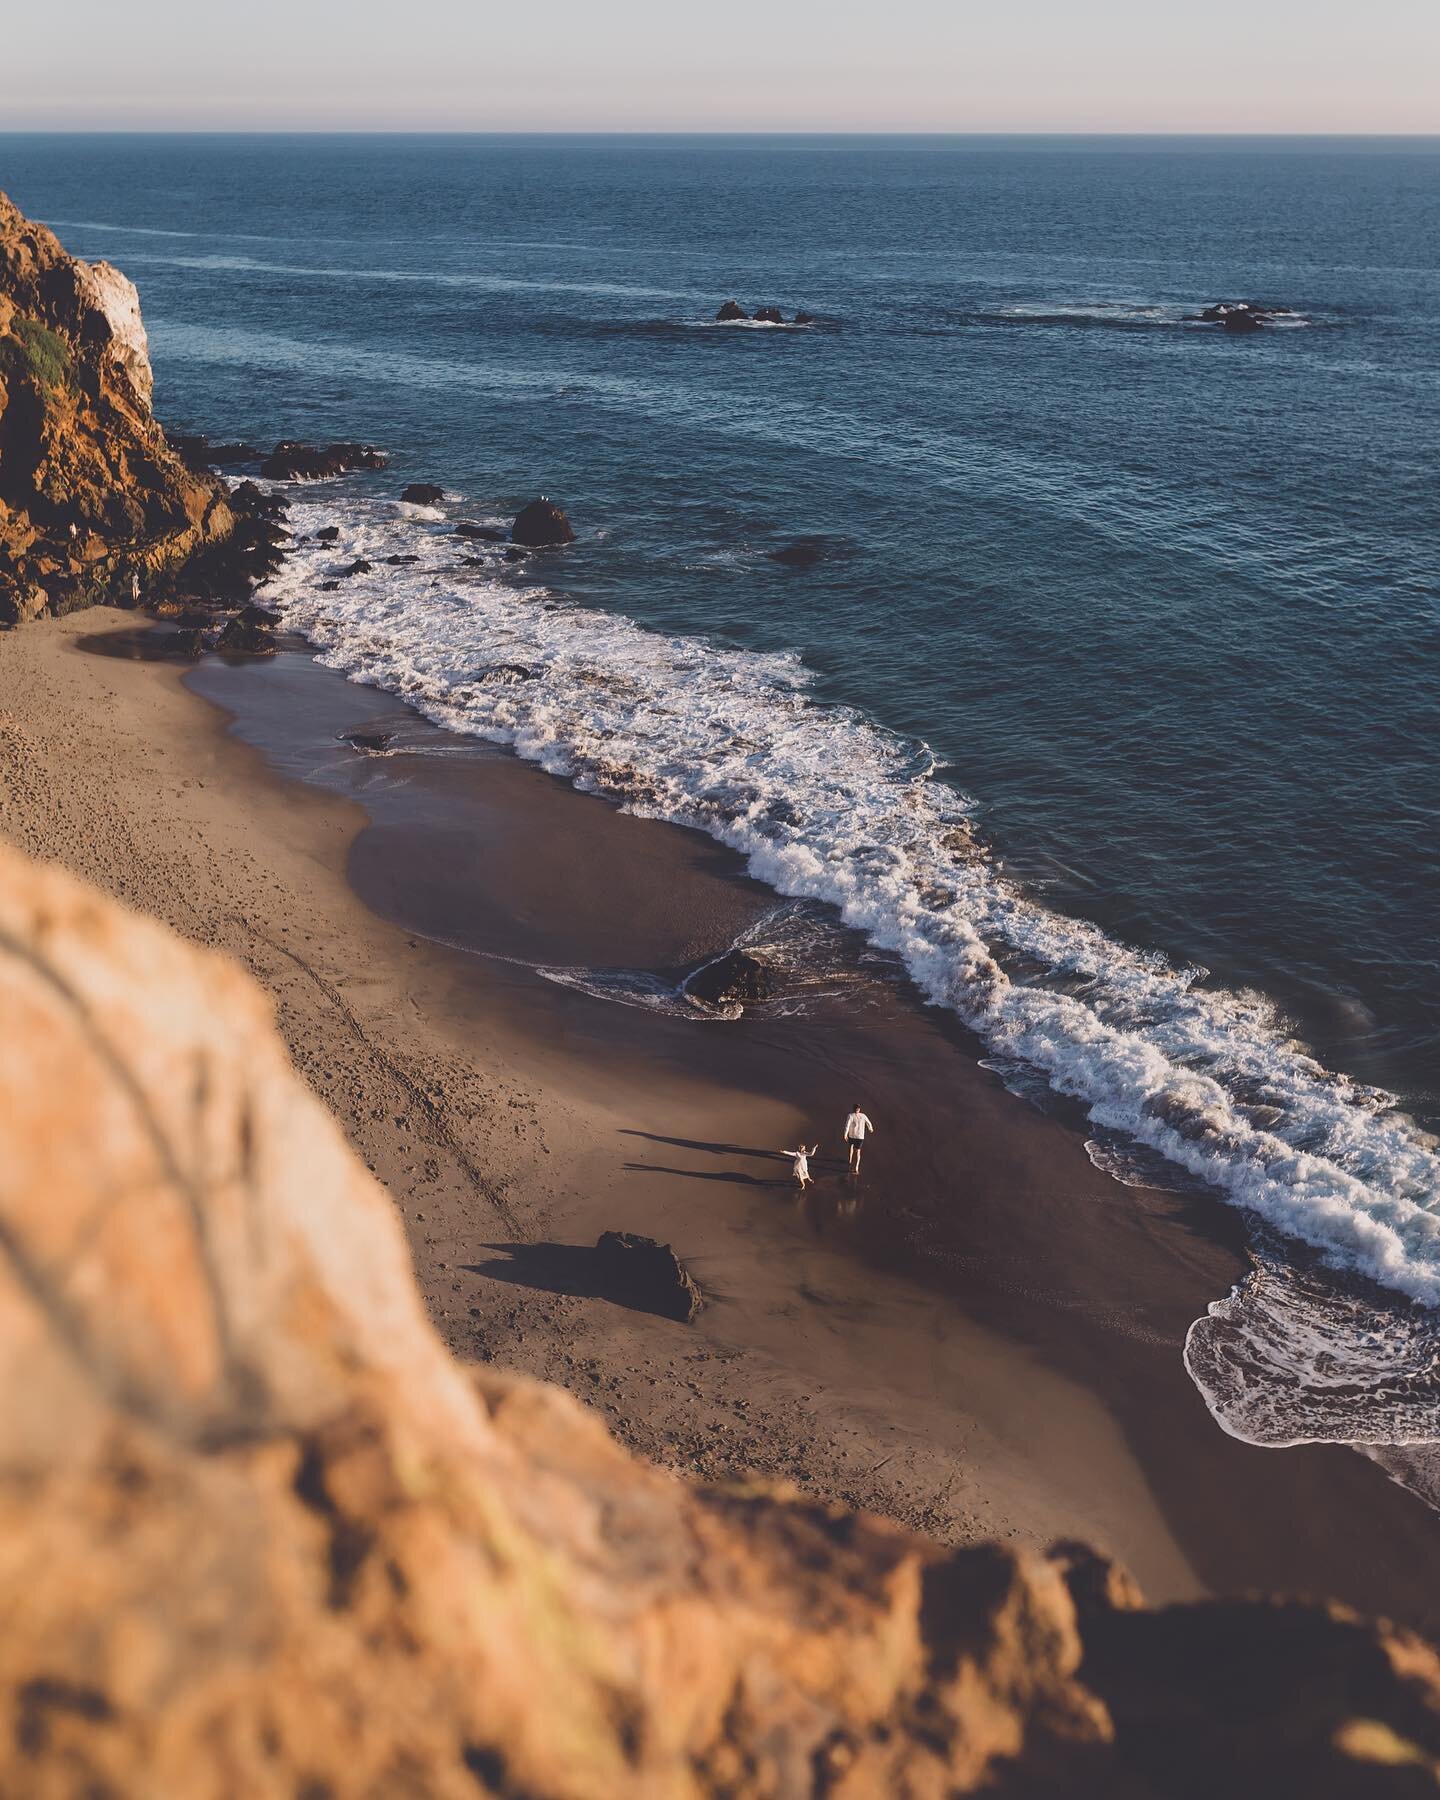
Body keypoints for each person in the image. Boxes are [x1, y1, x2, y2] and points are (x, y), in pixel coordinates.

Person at [843, 1103, 875, 1172]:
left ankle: (851, 1163)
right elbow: (868, 1122)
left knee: (852, 1148)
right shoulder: (861, 1115)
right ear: (858, 1109)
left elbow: (847, 1125)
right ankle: (854, 1165)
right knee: (857, 1151)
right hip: (859, 1136)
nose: (857, 1109)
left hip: (854, 1136)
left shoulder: (851, 1115)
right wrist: (870, 1128)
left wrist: (845, 1134)